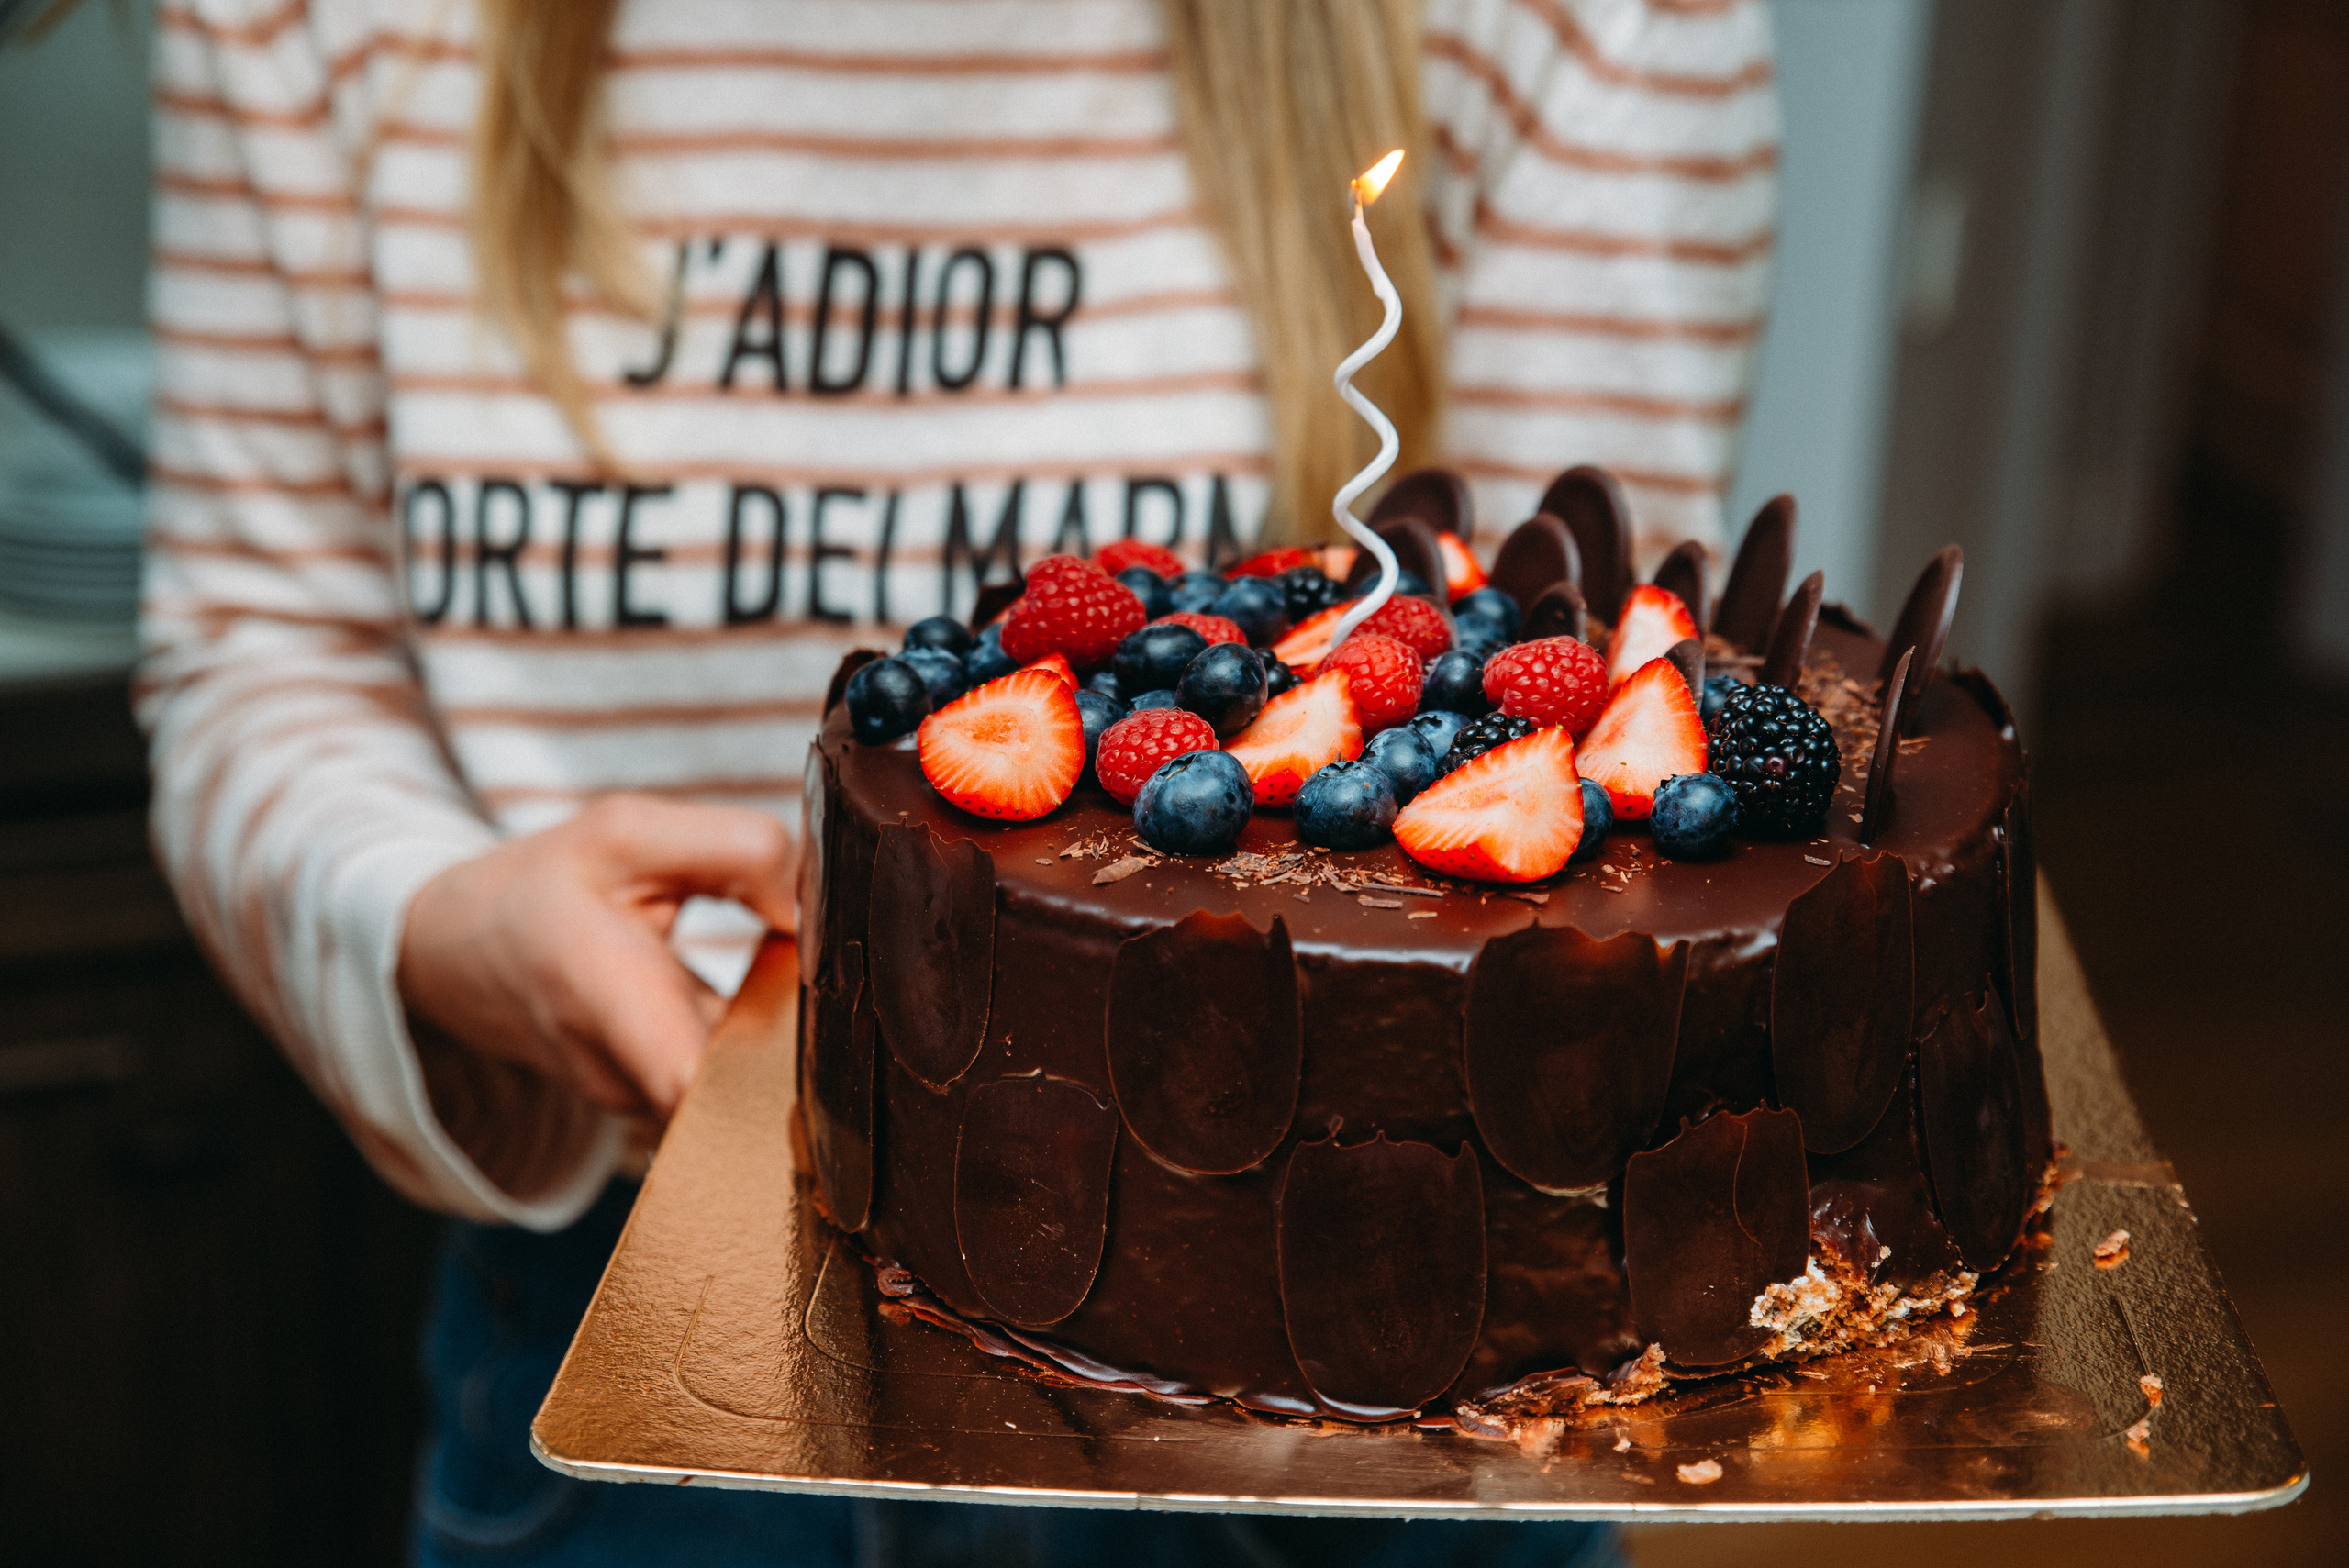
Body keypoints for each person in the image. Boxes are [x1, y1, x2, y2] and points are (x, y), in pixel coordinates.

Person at [140, 0, 1777, 1561]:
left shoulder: (1587, 21)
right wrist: (426, 914)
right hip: (634, 1332)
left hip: (1370, 1385)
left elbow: (1585, 747)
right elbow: (267, 651)